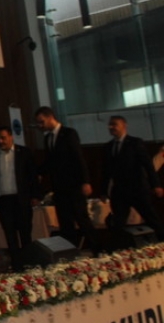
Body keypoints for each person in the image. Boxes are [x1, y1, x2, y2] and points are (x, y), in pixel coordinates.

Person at [35, 106, 98, 251]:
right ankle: (70, 253)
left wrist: (85, 181)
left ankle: (97, 249)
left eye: (41, 121)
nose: (40, 125)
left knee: (82, 219)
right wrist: (38, 173)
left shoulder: (69, 133)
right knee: (65, 223)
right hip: (59, 187)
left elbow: (78, 158)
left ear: (50, 117)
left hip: (74, 185)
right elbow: (50, 161)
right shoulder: (48, 138)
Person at [100, 116, 164, 245]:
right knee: (118, 222)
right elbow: (106, 171)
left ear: (124, 125)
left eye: (114, 124)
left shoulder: (135, 143)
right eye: (110, 125)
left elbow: (148, 165)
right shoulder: (109, 146)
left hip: (137, 189)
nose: (111, 127)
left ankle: (162, 239)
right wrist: (103, 191)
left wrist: (156, 185)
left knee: (151, 218)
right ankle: (118, 248)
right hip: (119, 191)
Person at [0, 126, 39, 271]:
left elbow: (33, 176)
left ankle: (28, 264)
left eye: (3, 138)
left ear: (11, 137)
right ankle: (17, 266)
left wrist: (35, 195)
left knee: (25, 233)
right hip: (4, 201)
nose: (0, 141)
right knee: (10, 236)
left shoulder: (24, 153)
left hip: (21, 199)